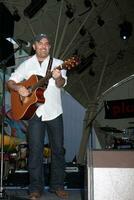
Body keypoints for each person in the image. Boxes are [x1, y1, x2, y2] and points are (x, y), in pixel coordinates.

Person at [7, 33, 68, 199]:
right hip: (34, 113)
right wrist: (19, 88)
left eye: (47, 43)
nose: (44, 46)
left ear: (49, 46)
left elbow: (62, 84)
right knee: (35, 152)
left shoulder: (59, 64)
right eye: (40, 43)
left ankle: (58, 186)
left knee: (58, 151)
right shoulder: (27, 64)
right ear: (34, 46)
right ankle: (35, 189)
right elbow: (10, 82)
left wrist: (58, 78)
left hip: (54, 112)